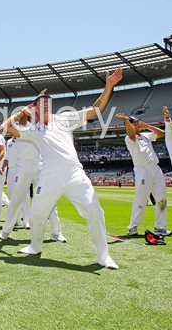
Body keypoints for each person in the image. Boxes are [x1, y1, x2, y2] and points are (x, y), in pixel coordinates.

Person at [14, 69, 123, 270]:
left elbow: (94, 110)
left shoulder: (63, 118)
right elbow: (8, 129)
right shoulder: (32, 129)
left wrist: (108, 86)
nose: (46, 104)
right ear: (35, 109)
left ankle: (103, 256)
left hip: (74, 172)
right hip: (48, 174)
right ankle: (35, 247)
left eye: (48, 102)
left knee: (94, 209)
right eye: (41, 103)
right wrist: (24, 111)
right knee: (37, 214)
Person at [0, 112, 65, 242]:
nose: (23, 118)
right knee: (16, 200)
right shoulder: (18, 129)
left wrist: (35, 107)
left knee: (49, 199)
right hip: (22, 168)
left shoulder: (37, 129)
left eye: (25, 116)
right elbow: (4, 126)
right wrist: (20, 113)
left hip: (39, 167)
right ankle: (5, 231)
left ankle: (56, 233)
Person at [116, 113, 171, 237]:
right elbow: (131, 133)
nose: (137, 124)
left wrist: (146, 125)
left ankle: (160, 227)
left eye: (137, 122)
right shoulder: (129, 138)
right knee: (141, 198)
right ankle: (133, 227)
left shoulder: (145, 135)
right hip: (142, 170)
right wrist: (126, 122)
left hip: (155, 169)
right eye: (134, 123)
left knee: (162, 199)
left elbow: (161, 133)